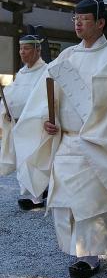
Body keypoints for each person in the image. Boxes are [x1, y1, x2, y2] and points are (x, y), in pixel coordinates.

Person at [13, 0, 107, 278]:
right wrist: (50, 122)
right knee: (64, 203)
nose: (77, 23)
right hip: (67, 140)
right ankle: (77, 251)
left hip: (97, 142)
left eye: (84, 19)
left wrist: (99, 133)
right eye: (75, 18)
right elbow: (47, 97)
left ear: (100, 23)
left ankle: (89, 256)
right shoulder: (66, 57)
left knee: (90, 203)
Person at [0, 29, 48, 210]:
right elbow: (11, 95)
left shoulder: (46, 71)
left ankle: (37, 196)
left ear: (37, 50)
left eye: (26, 49)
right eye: (21, 49)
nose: (22, 52)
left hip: (37, 125)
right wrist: (6, 111)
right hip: (18, 125)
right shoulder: (21, 73)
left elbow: (47, 99)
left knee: (35, 161)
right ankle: (29, 194)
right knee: (23, 162)